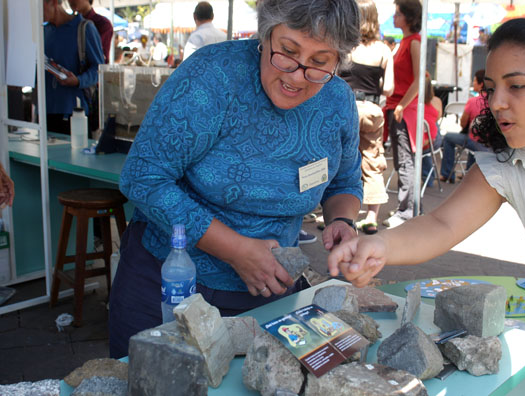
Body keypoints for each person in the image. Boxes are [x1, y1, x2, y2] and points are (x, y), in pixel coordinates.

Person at [328, 18, 525, 396]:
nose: (498, 102)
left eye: (517, 86)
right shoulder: (506, 166)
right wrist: (379, 246)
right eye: (490, 88)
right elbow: (441, 223)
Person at [109, 0, 362, 358]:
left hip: (269, 297)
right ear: (266, 34)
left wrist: (341, 220)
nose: (295, 75)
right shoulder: (212, 77)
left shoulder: (337, 101)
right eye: (287, 52)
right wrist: (237, 251)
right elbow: (143, 178)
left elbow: (345, 183)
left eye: (319, 63)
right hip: (171, 287)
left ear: (338, 60)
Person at [340, 0, 394, 235]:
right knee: (372, 161)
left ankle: (337, 214)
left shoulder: (346, 46)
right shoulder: (383, 50)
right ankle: (371, 217)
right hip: (371, 108)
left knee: (339, 159)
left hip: (346, 106)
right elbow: (389, 88)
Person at [383, 0, 422, 228]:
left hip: (402, 110)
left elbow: (419, 79)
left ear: (408, 16)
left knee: (404, 159)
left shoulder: (413, 43)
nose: (394, 17)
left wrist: (402, 105)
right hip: (397, 107)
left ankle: (407, 210)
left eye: (398, 13)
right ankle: (407, 208)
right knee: (401, 159)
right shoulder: (405, 42)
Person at [43, 0, 103, 135]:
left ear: (52, 3)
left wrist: (78, 81)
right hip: (46, 111)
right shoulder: (44, 32)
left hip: (75, 113)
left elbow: (99, 70)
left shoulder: (84, 28)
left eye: (39, 7)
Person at [439, 69, 490, 183]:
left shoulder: (473, 101)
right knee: (474, 138)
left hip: (474, 140)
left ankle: (447, 174)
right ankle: (469, 172)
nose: (473, 83)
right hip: (490, 142)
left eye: (475, 81)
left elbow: (463, 123)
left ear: (481, 84)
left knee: (448, 138)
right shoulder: (493, 101)